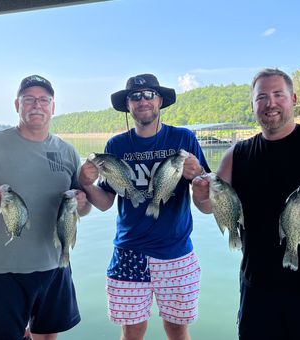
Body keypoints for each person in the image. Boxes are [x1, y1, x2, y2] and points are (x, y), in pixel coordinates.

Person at [79, 73, 210, 340]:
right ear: (128, 105)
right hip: (129, 251)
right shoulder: (116, 145)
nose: (143, 101)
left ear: (160, 100)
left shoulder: (184, 138)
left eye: (149, 94)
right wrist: (86, 184)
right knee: (131, 333)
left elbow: (206, 205)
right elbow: (105, 202)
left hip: (176, 253)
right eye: (135, 96)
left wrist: (198, 179)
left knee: (177, 331)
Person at [192, 68, 300, 340]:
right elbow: (211, 206)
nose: (270, 103)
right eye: (261, 97)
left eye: (278, 94)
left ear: (294, 99)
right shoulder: (236, 154)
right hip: (257, 286)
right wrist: (200, 195)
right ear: (253, 105)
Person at [0, 75, 91, 340]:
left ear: (53, 107)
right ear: (17, 105)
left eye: (44, 100)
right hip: (2, 269)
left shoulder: (68, 151)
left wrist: (82, 205)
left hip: (54, 264)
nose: (37, 105)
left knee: (47, 335)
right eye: (29, 99)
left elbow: (81, 207)